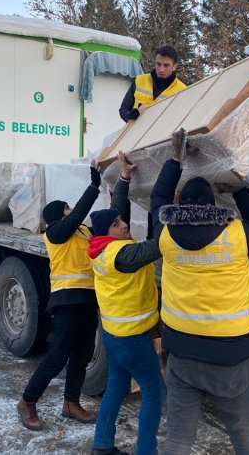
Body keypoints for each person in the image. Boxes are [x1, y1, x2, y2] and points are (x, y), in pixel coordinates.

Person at [150, 129, 249, 454]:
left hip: (182, 353)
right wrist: (241, 187)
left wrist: (174, 159)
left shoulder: (165, 236)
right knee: (244, 437)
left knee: (178, 438)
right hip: (229, 357)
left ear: (180, 203)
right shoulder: (236, 236)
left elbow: (157, 201)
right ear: (215, 202)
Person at [87, 151, 164, 455]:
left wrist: (124, 175)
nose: (123, 224)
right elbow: (158, 245)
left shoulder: (103, 246)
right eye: (118, 224)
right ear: (110, 232)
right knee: (155, 391)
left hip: (115, 333)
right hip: (131, 336)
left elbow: (117, 208)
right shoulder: (123, 255)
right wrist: (178, 211)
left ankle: (102, 445)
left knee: (117, 387)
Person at [17, 162, 102, 430]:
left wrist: (123, 180)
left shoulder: (84, 232)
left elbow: (111, 218)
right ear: (57, 216)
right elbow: (76, 216)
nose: (71, 212)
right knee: (57, 358)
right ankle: (27, 402)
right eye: (66, 209)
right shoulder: (54, 233)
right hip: (65, 302)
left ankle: (71, 403)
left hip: (89, 301)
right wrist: (94, 184)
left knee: (82, 355)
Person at [118, 45, 187, 123]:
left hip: (164, 134)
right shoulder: (139, 80)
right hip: (135, 132)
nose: (161, 69)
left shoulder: (183, 90)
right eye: (158, 64)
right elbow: (123, 109)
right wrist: (129, 116)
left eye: (166, 65)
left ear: (174, 66)